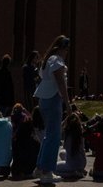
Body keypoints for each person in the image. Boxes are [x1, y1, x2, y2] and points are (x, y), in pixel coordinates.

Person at [36, 36, 72, 184]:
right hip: (53, 99)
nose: (67, 52)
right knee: (54, 136)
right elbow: (60, 82)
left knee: (48, 135)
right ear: (63, 48)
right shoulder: (57, 60)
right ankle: (47, 171)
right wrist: (67, 103)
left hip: (43, 98)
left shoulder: (48, 60)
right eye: (67, 49)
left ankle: (40, 167)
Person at [58, 112, 87, 180]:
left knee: (52, 169)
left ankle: (72, 173)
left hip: (71, 165)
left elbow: (60, 127)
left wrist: (66, 118)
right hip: (82, 163)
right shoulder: (81, 132)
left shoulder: (67, 134)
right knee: (62, 153)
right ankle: (79, 170)